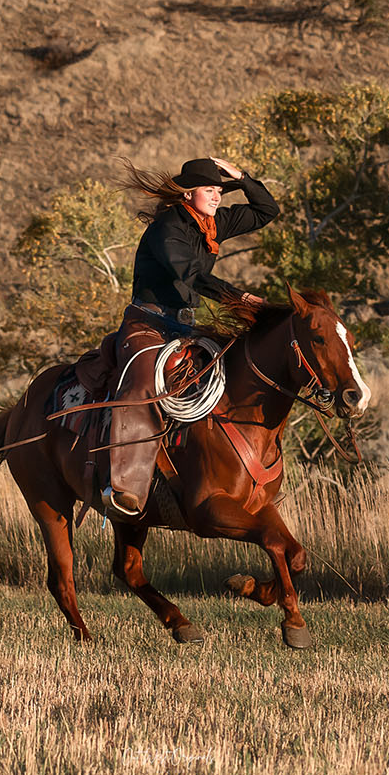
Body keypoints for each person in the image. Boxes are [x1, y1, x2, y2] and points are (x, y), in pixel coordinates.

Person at [102, 156, 279, 518]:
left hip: (185, 326)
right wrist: (241, 299)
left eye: (219, 191)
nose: (217, 196)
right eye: (209, 190)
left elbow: (267, 210)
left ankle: (201, 474)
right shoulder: (167, 229)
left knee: (227, 375)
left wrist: (242, 176)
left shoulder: (212, 224)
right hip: (148, 324)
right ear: (187, 194)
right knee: (142, 389)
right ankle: (124, 486)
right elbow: (192, 276)